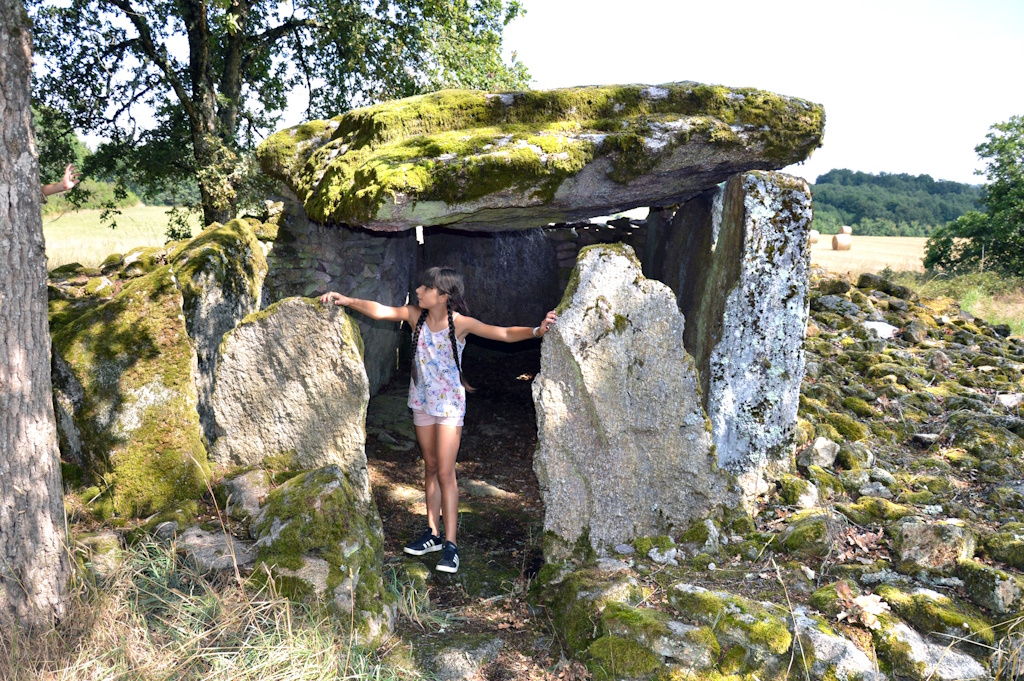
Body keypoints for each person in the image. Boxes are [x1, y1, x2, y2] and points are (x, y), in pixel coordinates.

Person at [321, 267, 557, 574]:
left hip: (448, 408)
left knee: (446, 472)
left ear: (443, 296)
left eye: (426, 287)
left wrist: (537, 331)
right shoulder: (413, 316)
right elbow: (380, 311)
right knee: (430, 467)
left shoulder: (459, 324)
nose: (419, 290)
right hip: (421, 403)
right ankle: (432, 533)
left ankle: (451, 544)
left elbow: (502, 333)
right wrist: (347, 300)